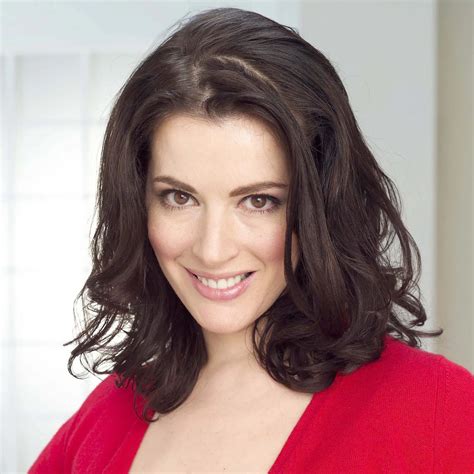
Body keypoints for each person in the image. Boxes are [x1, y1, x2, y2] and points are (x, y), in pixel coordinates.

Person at [29, 7, 473, 473]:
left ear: (320, 205)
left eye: (258, 201)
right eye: (179, 197)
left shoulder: (437, 410)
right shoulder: (106, 417)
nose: (212, 249)